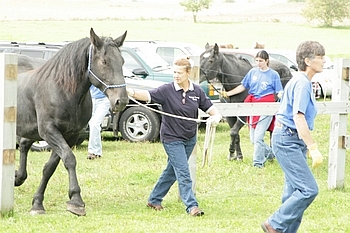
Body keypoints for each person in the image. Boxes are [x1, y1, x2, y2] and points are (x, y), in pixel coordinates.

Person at [127, 56, 222, 216]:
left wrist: (216, 116)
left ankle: (154, 199)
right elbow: (148, 95)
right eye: (174, 72)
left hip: (189, 139)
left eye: (179, 72)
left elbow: (209, 107)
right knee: (183, 172)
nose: (176, 75)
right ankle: (192, 206)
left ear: (188, 73)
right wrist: (131, 92)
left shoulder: (196, 91)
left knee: (172, 171)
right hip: (171, 139)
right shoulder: (166, 90)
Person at [261, 41, 324, 233]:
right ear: (307, 60)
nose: (323, 61)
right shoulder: (302, 83)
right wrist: (313, 148)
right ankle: (274, 224)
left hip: (291, 140)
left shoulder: (301, 81)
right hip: (287, 140)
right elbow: (298, 117)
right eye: (320, 57)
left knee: (293, 194)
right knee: (308, 189)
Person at [224, 50, 283, 168]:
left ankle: (258, 163)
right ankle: (272, 154)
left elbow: (279, 91)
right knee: (253, 139)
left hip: (266, 106)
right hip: (253, 106)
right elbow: (243, 86)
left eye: (261, 61)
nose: (258, 63)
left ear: (267, 61)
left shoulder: (273, 75)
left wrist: (282, 99)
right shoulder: (252, 72)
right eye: (257, 61)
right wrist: (228, 93)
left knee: (258, 137)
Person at [87, 85, 110, 160]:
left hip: (104, 100)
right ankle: (98, 152)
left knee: (94, 124)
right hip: (92, 99)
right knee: (93, 125)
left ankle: (92, 151)